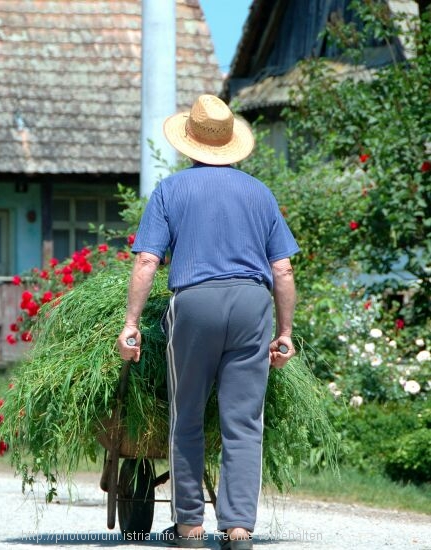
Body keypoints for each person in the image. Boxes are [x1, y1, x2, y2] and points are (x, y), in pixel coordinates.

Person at [117, 94, 299, 549]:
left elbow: (145, 261)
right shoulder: (259, 193)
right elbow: (283, 270)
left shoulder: (171, 190)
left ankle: (190, 528)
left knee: (187, 415)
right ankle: (238, 529)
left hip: (194, 305)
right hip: (252, 306)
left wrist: (131, 323)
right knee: (243, 421)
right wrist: (285, 332)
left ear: (190, 143)